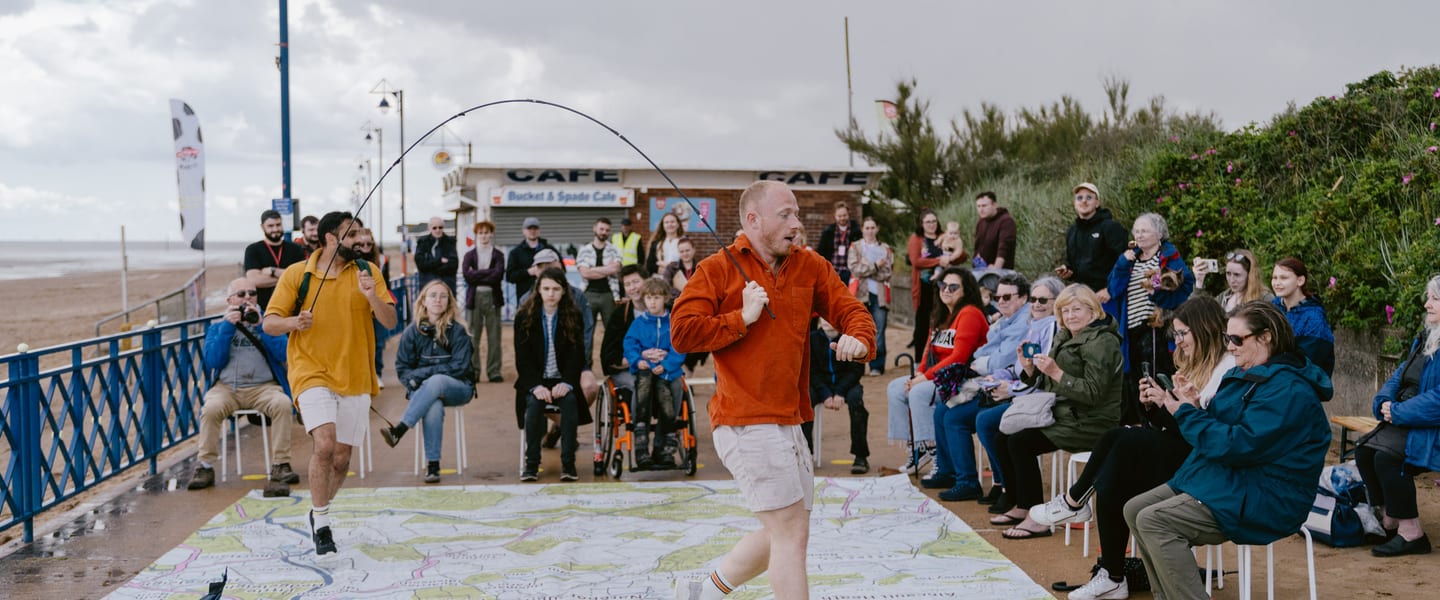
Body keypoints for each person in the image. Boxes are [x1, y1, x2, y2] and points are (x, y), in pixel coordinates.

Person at [671, 180, 875, 599]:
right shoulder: (717, 268)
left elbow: (851, 309)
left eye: (797, 214)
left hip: (791, 418)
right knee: (790, 533)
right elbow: (682, 334)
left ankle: (704, 591)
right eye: (786, 214)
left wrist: (860, 338)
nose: (797, 224)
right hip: (745, 419)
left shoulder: (810, 265)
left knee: (787, 528)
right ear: (753, 220)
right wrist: (741, 318)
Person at [1123, 301, 1331, 599]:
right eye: (1226, 338)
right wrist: (1194, 407)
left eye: (1236, 339)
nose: (1229, 347)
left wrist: (1186, 413)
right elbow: (1231, 432)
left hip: (1268, 495)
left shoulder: (1288, 389)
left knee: (1154, 520)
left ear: (1266, 336)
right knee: (1134, 509)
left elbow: (1238, 445)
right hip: (1234, 477)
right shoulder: (1253, 373)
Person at [1029, 298, 1233, 599]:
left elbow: (1207, 431)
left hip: (1204, 461)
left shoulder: (1226, 369)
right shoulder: (1195, 363)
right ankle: (1111, 575)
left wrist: (1175, 405)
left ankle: (1075, 505)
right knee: (1116, 464)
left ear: (1205, 329)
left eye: (1182, 334)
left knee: (1122, 441)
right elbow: (1177, 425)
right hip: (1187, 449)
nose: (1178, 342)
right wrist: (1153, 406)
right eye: (1175, 334)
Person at [264, 211, 397, 555]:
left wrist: (371, 297)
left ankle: (316, 510)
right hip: (311, 371)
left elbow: (391, 321)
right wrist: (295, 321)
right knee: (324, 445)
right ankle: (323, 523)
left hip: (355, 376)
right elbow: (270, 324)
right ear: (328, 239)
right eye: (350, 235)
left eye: (359, 235)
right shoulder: (298, 274)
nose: (357, 241)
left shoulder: (369, 272)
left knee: (340, 459)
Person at [990, 284, 1122, 540]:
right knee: (1003, 436)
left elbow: (1093, 393)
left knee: (1020, 442)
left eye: (1077, 310)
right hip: (1065, 413)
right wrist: (1030, 369)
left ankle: (1036, 518)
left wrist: (1055, 372)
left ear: (1093, 311)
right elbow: (1048, 382)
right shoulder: (1066, 335)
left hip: (1092, 422)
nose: (1070, 316)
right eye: (1065, 310)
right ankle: (1021, 504)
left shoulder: (1103, 342)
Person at [187, 278, 300, 490]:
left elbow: (285, 353)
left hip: (264, 387)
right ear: (229, 300)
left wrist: (261, 325)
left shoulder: (269, 323)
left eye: (252, 293)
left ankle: (281, 463)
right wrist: (228, 328)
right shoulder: (218, 328)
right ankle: (205, 465)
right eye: (241, 294)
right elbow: (213, 361)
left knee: (283, 404)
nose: (247, 298)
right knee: (210, 409)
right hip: (228, 388)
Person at [1356, 274, 1440, 558]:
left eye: (1435, 299)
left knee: (1389, 458)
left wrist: (1400, 412)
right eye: (1429, 297)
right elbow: (1403, 372)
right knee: (1365, 450)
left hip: (1430, 424)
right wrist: (1384, 400)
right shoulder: (1428, 334)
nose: (1427, 304)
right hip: (1408, 416)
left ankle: (1412, 532)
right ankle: (1390, 519)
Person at [886, 267, 988, 478]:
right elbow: (928, 352)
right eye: (943, 285)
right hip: (938, 375)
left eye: (953, 287)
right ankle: (918, 446)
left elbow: (959, 357)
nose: (946, 290)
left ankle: (936, 453)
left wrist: (924, 378)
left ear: (966, 290)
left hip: (962, 378)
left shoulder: (970, 313)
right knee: (896, 388)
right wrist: (918, 374)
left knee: (919, 392)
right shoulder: (941, 315)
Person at [976, 275, 1064, 513]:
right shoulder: (1033, 325)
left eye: (1043, 299)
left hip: (1040, 400)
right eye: (1034, 299)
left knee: (990, 422)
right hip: (1023, 393)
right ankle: (1005, 486)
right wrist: (999, 379)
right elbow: (1020, 366)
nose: (1036, 304)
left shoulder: (1053, 326)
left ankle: (1009, 490)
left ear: (1057, 302)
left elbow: (1042, 376)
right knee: (986, 419)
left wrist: (1011, 390)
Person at [378, 281, 475, 483]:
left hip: (459, 387)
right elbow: (403, 368)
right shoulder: (412, 332)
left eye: (443, 296)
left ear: (449, 302)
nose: (438, 300)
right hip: (422, 391)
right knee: (433, 405)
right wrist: (419, 382)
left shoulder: (457, 331)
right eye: (433, 295)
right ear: (423, 301)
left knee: (437, 380)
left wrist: (424, 375)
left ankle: (401, 429)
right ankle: (433, 465)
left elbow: (460, 367)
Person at [1104, 212, 1194, 424]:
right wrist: (1122, 263)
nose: (1140, 234)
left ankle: (1164, 421)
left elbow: (1184, 286)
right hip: (1132, 326)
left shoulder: (1168, 255)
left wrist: (1158, 292)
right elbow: (1113, 289)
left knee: (1158, 374)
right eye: (1137, 230)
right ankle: (1144, 422)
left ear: (1159, 233)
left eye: (1145, 230)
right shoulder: (1130, 258)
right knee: (1137, 376)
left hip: (1158, 326)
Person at [513, 268, 587, 482]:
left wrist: (567, 382)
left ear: (564, 291)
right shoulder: (524, 317)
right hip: (535, 380)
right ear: (538, 290)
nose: (551, 293)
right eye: (546, 288)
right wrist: (536, 386)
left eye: (556, 289)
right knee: (534, 406)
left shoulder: (573, 316)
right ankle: (532, 465)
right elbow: (522, 359)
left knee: (570, 402)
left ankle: (568, 464)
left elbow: (577, 355)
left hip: (562, 379)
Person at [622, 277, 687, 468]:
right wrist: (638, 360)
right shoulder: (639, 323)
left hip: (667, 372)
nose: (652, 302)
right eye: (649, 298)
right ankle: (641, 444)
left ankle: (664, 447)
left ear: (665, 298)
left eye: (657, 297)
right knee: (642, 388)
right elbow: (630, 344)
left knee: (666, 397)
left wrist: (666, 364)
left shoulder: (673, 322)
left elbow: (680, 347)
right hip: (645, 369)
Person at [804, 317, 870, 474]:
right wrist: (826, 394)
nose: (828, 321)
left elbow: (856, 370)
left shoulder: (850, 338)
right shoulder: (812, 339)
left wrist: (840, 392)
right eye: (823, 318)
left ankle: (860, 456)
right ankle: (806, 454)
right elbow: (810, 370)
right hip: (820, 385)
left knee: (857, 403)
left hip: (847, 384)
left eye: (831, 317)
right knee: (804, 402)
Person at [1058, 183, 1127, 294]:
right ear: (1074, 203)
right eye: (1079, 198)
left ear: (1097, 203)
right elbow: (1073, 265)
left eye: (1089, 197)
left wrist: (1110, 289)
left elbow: (1125, 261)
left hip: (1108, 295)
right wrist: (1068, 271)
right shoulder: (1072, 231)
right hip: (1083, 295)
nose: (1084, 201)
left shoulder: (1110, 227)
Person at [1271, 257, 1335, 375]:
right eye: (1274, 278)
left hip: (1301, 382)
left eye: (1283, 278)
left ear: (1300, 281)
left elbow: (1307, 361)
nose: (1277, 283)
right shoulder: (1272, 308)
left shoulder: (1314, 318)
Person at [847, 216, 894, 377]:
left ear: (877, 229)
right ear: (862, 229)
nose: (870, 230)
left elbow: (887, 272)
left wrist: (867, 268)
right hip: (860, 294)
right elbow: (854, 268)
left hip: (879, 294)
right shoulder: (855, 247)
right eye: (867, 228)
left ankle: (877, 365)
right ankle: (857, 366)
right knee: (859, 328)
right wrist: (875, 266)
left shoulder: (885, 248)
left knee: (879, 330)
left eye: (872, 227)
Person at [461, 220, 505, 383]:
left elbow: (498, 275)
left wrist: (477, 274)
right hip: (474, 298)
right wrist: (487, 273)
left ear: (491, 234)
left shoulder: (498, 255)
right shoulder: (469, 255)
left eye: (487, 232)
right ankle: (474, 371)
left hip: (493, 298)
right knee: (473, 336)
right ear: (476, 235)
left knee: (494, 336)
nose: (484, 235)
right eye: (481, 233)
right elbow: (467, 275)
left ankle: (494, 371)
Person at [577, 217, 624, 361]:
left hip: (608, 295)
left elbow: (616, 269)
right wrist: (606, 269)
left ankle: (611, 363)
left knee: (612, 332)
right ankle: (586, 366)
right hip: (588, 295)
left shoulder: (614, 250)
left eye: (607, 230)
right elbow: (585, 273)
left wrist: (594, 270)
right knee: (586, 331)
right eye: (601, 229)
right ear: (595, 229)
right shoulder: (584, 250)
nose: (604, 232)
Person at [244, 210, 306, 311]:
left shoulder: (295, 249)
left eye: (278, 224)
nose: (275, 229)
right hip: (263, 309)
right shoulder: (253, 249)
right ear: (262, 227)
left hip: (291, 308)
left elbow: (301, 278)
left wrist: (273, 271)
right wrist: (289, 278)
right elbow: (254, 280)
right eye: (270, 226)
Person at [354, 229, 393, 389]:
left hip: (377, 302)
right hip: (359, 305)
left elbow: (388, 282)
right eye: (361, 244)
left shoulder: (382, 260)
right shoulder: (353, 262)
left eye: (369, 243)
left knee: (379, 341)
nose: (365, 247)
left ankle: (376, 373)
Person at [907, 208, 946, 353]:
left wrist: (951, 258)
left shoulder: (943, 237)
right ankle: (918, 360)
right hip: (924, 287)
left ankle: (939, 356)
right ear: (922, 224)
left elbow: (959, 253)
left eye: (934, 221)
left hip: (943, 286)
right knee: (922, 324)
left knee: (942, 322)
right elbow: (915, 261)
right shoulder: (916, 239)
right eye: (928, 222)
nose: (931, 224)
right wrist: (939, 261)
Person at [1193, 248, 1272, 312]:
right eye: (1228, 273)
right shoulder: (1225, 296)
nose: (1231, 280)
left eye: (1237, 275)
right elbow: (1197, 313)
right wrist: (1199, 282)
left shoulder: (1264, 297)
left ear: (1250, 275)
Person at [505, 216, 559, 300]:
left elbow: (561, 269)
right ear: (523, 231)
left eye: (535, 228)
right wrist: (528, 272)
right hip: (525, 298)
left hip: (548, 297)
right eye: (529, 228)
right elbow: (509, 276)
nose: (532, 231)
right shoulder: (515, 253)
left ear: (539, 230)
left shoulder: (549, 250)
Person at [816, 202, 861, 284]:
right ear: (835, 216)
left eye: (844, 215)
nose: (842, 218)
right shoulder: (828, 232)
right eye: (839, 216)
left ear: (848, 214)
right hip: (833, 271)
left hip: (850, 272)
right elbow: (821, 252)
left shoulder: (857, 231)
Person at [972, 192, 1016, 270]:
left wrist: (996, 268)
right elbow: (977, 247)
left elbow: (1004, 247)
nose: (981, 210)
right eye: (978, 206)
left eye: (984, 206)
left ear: (994, 205)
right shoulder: (980, 222)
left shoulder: (1006, 221)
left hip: (1002, 272)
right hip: (981, 269)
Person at [414, 217, 458, 292]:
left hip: (447, 286)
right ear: (430, 228)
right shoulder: (423, 243)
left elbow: (453, 265)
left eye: (440, 227)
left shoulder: (450, 242)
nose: (438, 230)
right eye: (434, 228)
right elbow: (420, 264)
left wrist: (430, 265)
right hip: (427, 286)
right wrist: (440, 261)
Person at [646, 211, 686, 277]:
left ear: (678, 224)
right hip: (658, 281)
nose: (670, 224)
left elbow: (687, 264)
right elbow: (649, 265)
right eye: (666, 222)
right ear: (663, 225)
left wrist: (667, 266)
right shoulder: (656, 243)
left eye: (672, 222)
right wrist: (658, 269)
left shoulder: (684, 242)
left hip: (678, 280)